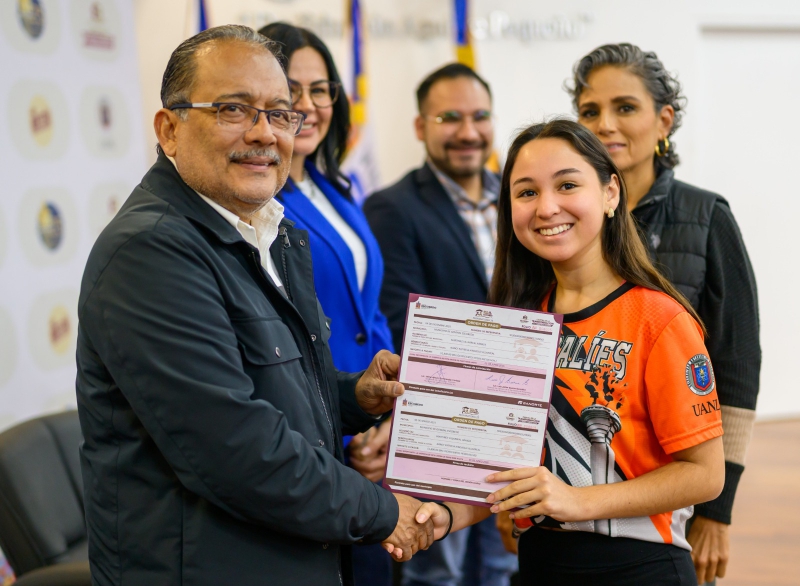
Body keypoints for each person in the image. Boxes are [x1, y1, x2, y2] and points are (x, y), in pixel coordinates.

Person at [75, 25, 436, 586]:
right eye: (233, 109)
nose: (264, 133)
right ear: (169, 129)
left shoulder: (268, 232)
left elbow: (270, 386)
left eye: (279, 113)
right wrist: (384, 512)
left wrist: (353, 396)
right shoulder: (151, 250)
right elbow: (234, 448)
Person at [415, 119, 726, 586]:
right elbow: (501, 472)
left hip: (640, 569)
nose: (546, 207)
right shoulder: (515, 321)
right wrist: (444, 513)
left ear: (610, 193)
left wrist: (577, 500)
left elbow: (705, 475)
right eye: (526, 192)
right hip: (540, 564)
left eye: (567, 185)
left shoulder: (659, 319)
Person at [567, 43, 760, 585]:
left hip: (676, 494)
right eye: (589, 111)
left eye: (625, 107)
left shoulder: (706, 216)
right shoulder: (564, 220)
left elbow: (736, 362)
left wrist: (717, 512)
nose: (605, 125)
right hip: (571, 500)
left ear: (664, 120)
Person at [364, 63, 517, 586]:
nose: (468, 132)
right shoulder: (391, 207)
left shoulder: (520, 199)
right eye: (449, 118)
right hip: (439, 420)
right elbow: (400, 321)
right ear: (420, 126)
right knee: (437, 568)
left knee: (502, 565)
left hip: (515, 419)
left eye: (480, 117)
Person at [258, 22, 395, 586]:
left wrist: (392, 413)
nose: (308, 105)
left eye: (320, 90)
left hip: (374, 423)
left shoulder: (335, 186)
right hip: (323, 437)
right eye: (291, 90)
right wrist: (352, 426)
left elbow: (370, 314)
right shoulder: (262, 203)